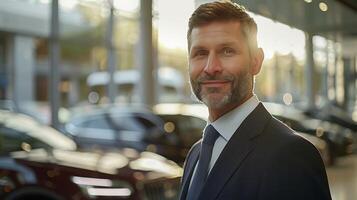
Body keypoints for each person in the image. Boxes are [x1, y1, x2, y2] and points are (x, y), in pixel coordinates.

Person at [179, 1, 332, 200]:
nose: (211, 67)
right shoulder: (196, 154)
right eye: (200, 53)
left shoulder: (292, 155)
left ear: (256, 61)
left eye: (227, 51)